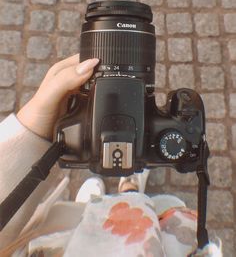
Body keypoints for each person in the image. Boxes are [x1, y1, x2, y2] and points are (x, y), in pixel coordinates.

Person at [0, 55, 222, 257]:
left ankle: (92, 208)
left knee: (78, 216)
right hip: (155, 243)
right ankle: (130, 191)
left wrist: (30, 137)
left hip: (56, 240)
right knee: (164, 206)